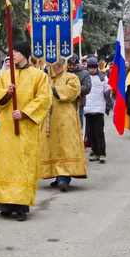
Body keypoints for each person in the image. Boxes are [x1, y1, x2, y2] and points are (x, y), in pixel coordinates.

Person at [0, 41, 52, 220]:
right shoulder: (5, 75)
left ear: (25, 54)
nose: (13, 54)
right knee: (5, 164)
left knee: (23, 165)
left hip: (26, 129)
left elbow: (44, 99)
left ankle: (22, 206)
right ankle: (4, 204)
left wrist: (24, 113)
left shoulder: (39, 76)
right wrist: (7, 94)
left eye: (16, 51)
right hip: (6, 129)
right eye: (12, 51)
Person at [39, 59, 87, 192]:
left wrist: (54, 89)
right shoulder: (46, 78)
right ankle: (57, 173)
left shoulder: (71, 77)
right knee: (53, 146)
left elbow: (72, 92)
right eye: (52, 64)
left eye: (57, 63)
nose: (55, 66)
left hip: (66, 118)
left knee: (65, 145)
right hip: (50, 118)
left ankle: (65, 176)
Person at [84, 57, 110, 164]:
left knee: (99, 131)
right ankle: (95, 152)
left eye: (94, 68)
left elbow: (107, 91)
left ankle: (102, 153)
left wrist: (108, 105)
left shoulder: (103, 77)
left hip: (99, 108)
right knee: (91, 132)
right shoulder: (85, 77)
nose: (92, 70)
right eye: (90, 68)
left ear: (97, 67)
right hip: (87, 108)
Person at [67, 54, 91, 126]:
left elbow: (87, 88)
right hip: (65, 104)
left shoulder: (84, 73)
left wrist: (72, 90)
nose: (71, 67)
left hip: (79, 104)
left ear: (78, 63)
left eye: (74, 65)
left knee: (78, 127)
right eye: (70, 65)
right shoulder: (64, 73)